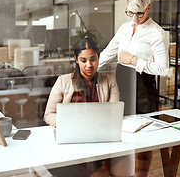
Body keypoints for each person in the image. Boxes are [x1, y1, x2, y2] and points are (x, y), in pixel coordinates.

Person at [98, 0, 170, 177]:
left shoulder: (156, 33)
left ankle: (141, 175)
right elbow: (109, 52)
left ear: (148, 8)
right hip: (121, 83)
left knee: (145, 137)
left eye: (140, 13)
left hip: (143, 87)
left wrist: (135, 61)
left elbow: (163, 69)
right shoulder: (124, 28)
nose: (135, 18)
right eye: (131, 13)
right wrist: (87, 69)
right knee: (121, 130)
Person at [44, 37, 133, 177]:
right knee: (100, 174)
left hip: (101, 141)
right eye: (83, 60)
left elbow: (115, 113)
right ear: (76, 60)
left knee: (126, 168)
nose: (89, 65)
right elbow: (49, 115)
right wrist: (72, 124)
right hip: (72, 143)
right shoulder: (63, 81)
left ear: (98, 58)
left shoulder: (109, 81)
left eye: (93, 59)